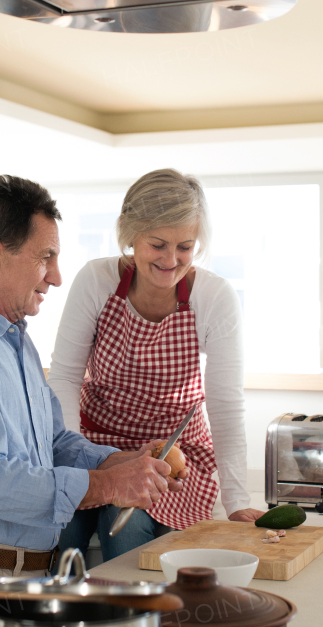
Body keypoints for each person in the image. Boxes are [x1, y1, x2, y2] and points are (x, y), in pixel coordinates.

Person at [0, 175, 183, 627]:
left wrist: (121, 461)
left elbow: (54, 444)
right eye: (45, 257)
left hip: (28, 581)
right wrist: (108, 485)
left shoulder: (16, 340)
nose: (56, 275)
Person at [50, 169, 263, 563]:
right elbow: (64, 376)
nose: (172, 260)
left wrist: (237, 502)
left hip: (173, 457)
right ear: (130, 235)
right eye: (157, 244)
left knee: (123, 524)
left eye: (185, 246)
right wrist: (71, 458)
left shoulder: (213, 296)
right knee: (61, 526)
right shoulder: (96, 281)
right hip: (94, 448)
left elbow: (226, 406)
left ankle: (139, 623)